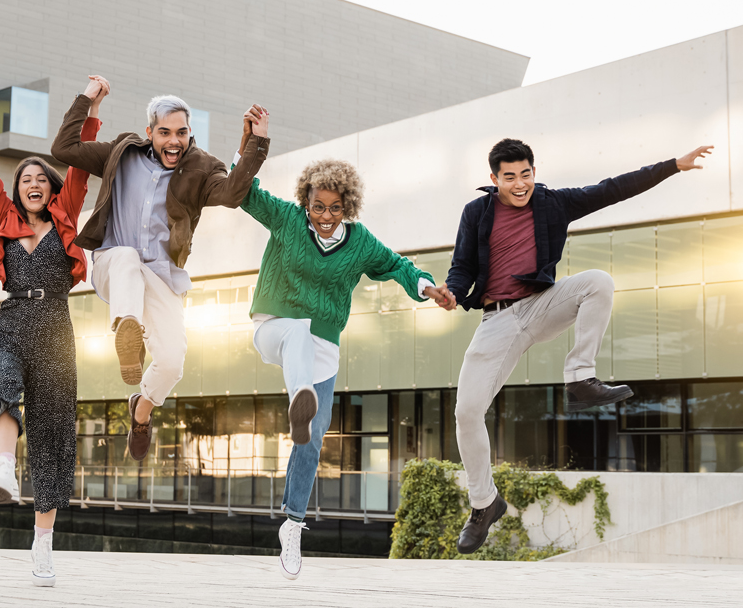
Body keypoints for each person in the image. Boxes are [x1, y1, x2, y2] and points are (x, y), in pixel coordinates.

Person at [440, 138, 713, 554]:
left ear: (534, 171)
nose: (520, 184)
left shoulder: (554, 204)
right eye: (509, 177)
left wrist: (674, 165)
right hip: (498, 319)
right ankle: (484, 503)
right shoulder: (476, 213)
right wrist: (453, 294)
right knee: (465, 412)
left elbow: (612, 188)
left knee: (598, 282)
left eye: (526, 175)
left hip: (542, 303)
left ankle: (581, 376)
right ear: (494, 179)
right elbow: (461, 268)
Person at [237, 111, 453, 579]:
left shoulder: (359, 243)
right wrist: (253, 142)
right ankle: (300, 397)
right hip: (275, 326)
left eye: (336, 208)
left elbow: (399, 266)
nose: (327, 217)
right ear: (306, 202)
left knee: (312, 439)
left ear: (348, 207)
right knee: (296, 330)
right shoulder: (286, 219)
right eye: (319, 206)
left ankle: (292, 525)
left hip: (322, 345)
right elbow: (245, 192)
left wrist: (427, 287)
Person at [50, 77, 270, 462]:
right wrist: (86, 100)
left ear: (190, 134)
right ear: (149, 131)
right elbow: (63, 148)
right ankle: (128, 330)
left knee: (171, 363)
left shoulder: (202, 169)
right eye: (165, 132)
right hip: (113, 266)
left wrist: (255, 142)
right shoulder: (121, 152)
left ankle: (141, 408)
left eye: (181, 133)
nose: (174, 141)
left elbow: (233, 192)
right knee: (126, 257)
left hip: (161, 276)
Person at [0, 78, 105, 587]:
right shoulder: (5, 217)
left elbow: (82, 164)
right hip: (11, 323)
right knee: (3, 378)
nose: (34, 182)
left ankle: (43, 545)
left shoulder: (67, 217)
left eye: (42, 177)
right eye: (25, 179)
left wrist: (89, 106)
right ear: (17, 190)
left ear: (53, 188)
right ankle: (2, 469)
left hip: (57, 334)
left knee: (54, 439)